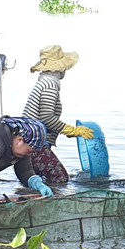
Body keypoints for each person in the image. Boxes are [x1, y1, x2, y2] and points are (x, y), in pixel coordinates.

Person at [23, 44, 92, 185]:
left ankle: (34, 198)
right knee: (60, 178)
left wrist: (65, 131)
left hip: (26, 141)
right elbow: (46, 117)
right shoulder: (50, 84)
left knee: (39, 180)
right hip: (34, 144)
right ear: (60, 67)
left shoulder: (44, 81)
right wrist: (71, 130)